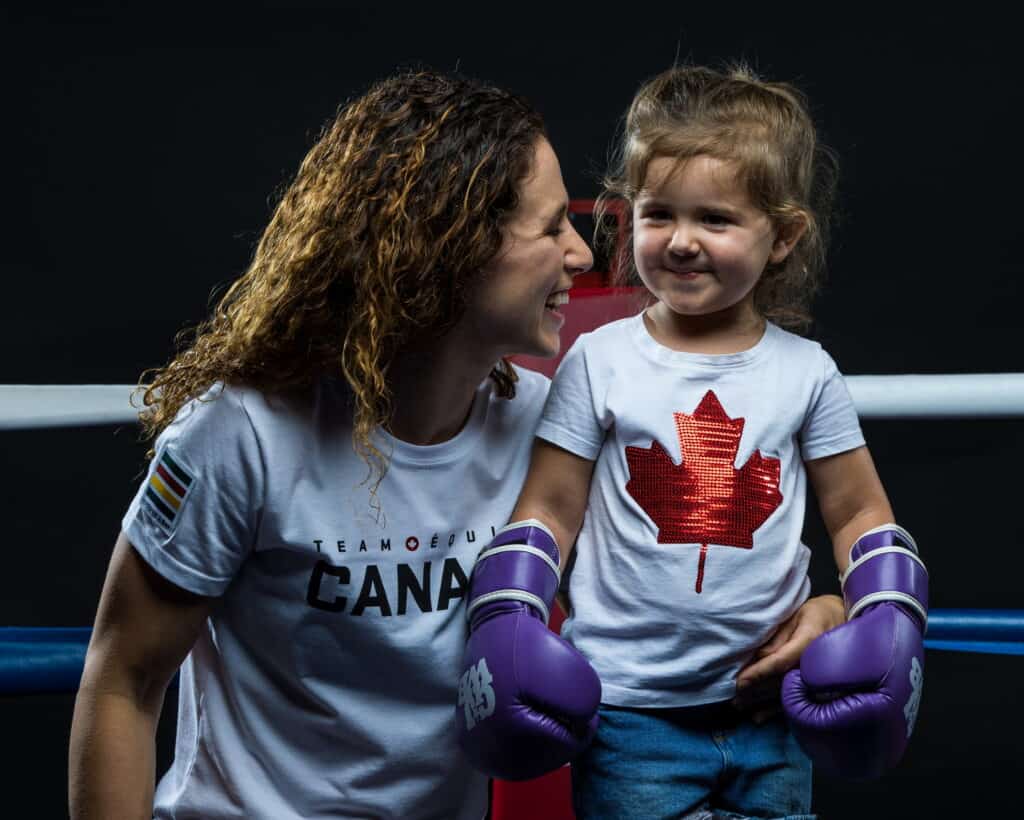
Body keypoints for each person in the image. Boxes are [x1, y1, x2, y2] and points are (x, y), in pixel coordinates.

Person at [68, 68, 850, 820]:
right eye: (550, 228)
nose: (582, 254)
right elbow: (124, 683)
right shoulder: (243, 434)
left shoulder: (548, 427)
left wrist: (818, 612)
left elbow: (680, 584)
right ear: (449, 251)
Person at [457, 65, 928, 819]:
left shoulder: (807, 374)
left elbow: (861, 517)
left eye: (715, 218)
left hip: (769, 708)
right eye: (657, 213)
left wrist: (887, 617)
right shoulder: (599, 359)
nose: (680, 242)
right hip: (631, 715)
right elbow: (548, 511)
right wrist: (507, 615)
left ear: (784, 236)